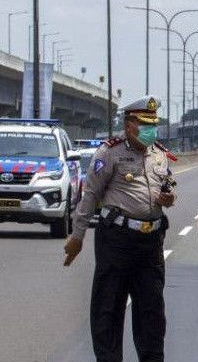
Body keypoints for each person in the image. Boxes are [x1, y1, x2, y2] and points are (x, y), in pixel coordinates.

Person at [63, 95, 177, 362]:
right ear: (129, 126)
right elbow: (90, 195)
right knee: (108, 309)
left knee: (152, 312)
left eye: (153, 124)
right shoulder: (109, 153)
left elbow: (168, 189)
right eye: (144, 124)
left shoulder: (160, 155)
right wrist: (77, 236)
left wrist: (169, 199)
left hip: (150, 243)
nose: (151, 130)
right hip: (117, 240)